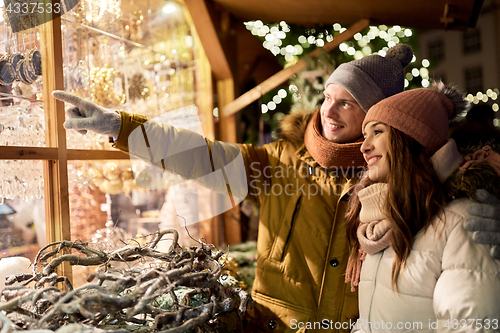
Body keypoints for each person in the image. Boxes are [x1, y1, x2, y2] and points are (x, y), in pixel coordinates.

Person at [52, 44, 500, 332]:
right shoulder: (280, 164)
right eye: (328, 96)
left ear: (375, 117)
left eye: (348, 102)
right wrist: (121, 127)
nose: (330, 109)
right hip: (271, 325)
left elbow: (451, 240)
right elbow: (201, 156)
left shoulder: (395, 179)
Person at [345, 81, 500, 333]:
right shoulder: (378, 222)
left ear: (410, 138)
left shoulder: (462, 219)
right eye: (365, 135)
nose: (364, 146)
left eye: (378, 131)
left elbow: (471, 325)